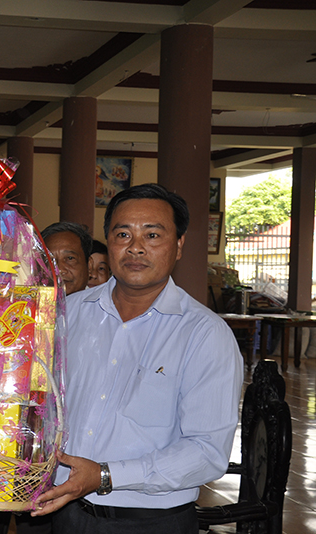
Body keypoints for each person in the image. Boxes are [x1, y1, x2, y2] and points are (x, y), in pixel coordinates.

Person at [31, 184, 243, 534]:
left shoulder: (205, 334)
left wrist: (105, 475)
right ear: (108, 243)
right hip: (65, 513)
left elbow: (207, 452)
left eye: (153, 235)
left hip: (150, 522)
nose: (136, 247)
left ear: (179, 245)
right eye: (123, 234)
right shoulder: (66, 314)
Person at [41, 222, 93, 295]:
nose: (59, 270)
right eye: (49, 260)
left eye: (70, 258)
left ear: (89, 266)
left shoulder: (106, 301)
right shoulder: (28, 301)